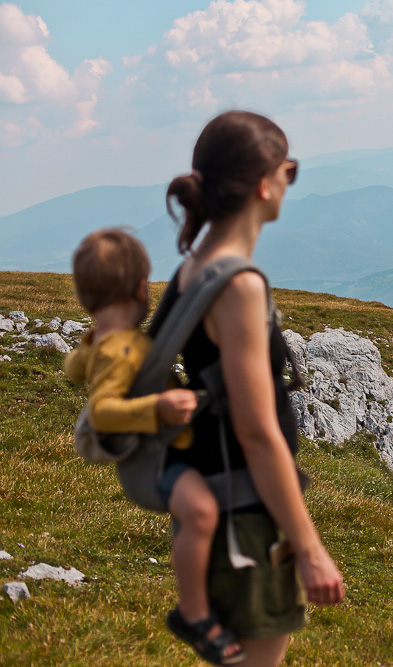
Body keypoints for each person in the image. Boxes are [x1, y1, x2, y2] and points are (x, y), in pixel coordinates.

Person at [162, 110, 345, 667]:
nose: (291, 179)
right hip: (245, 510)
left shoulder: (194, 267)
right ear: (265, 183)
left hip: (218, 491)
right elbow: (257, 431)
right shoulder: (237, 284)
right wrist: (310, 550)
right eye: (290, 168)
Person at [64, 229, 243, 664]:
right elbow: (103, 409)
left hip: (161, 454)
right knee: (200, 511)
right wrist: (157, 406)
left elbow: (73, 368)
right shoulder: (118, 349)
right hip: (152, 465)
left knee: (202, 512)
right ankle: (194, 613)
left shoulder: (106, 341)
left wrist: (90, 343)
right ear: (138, 288)